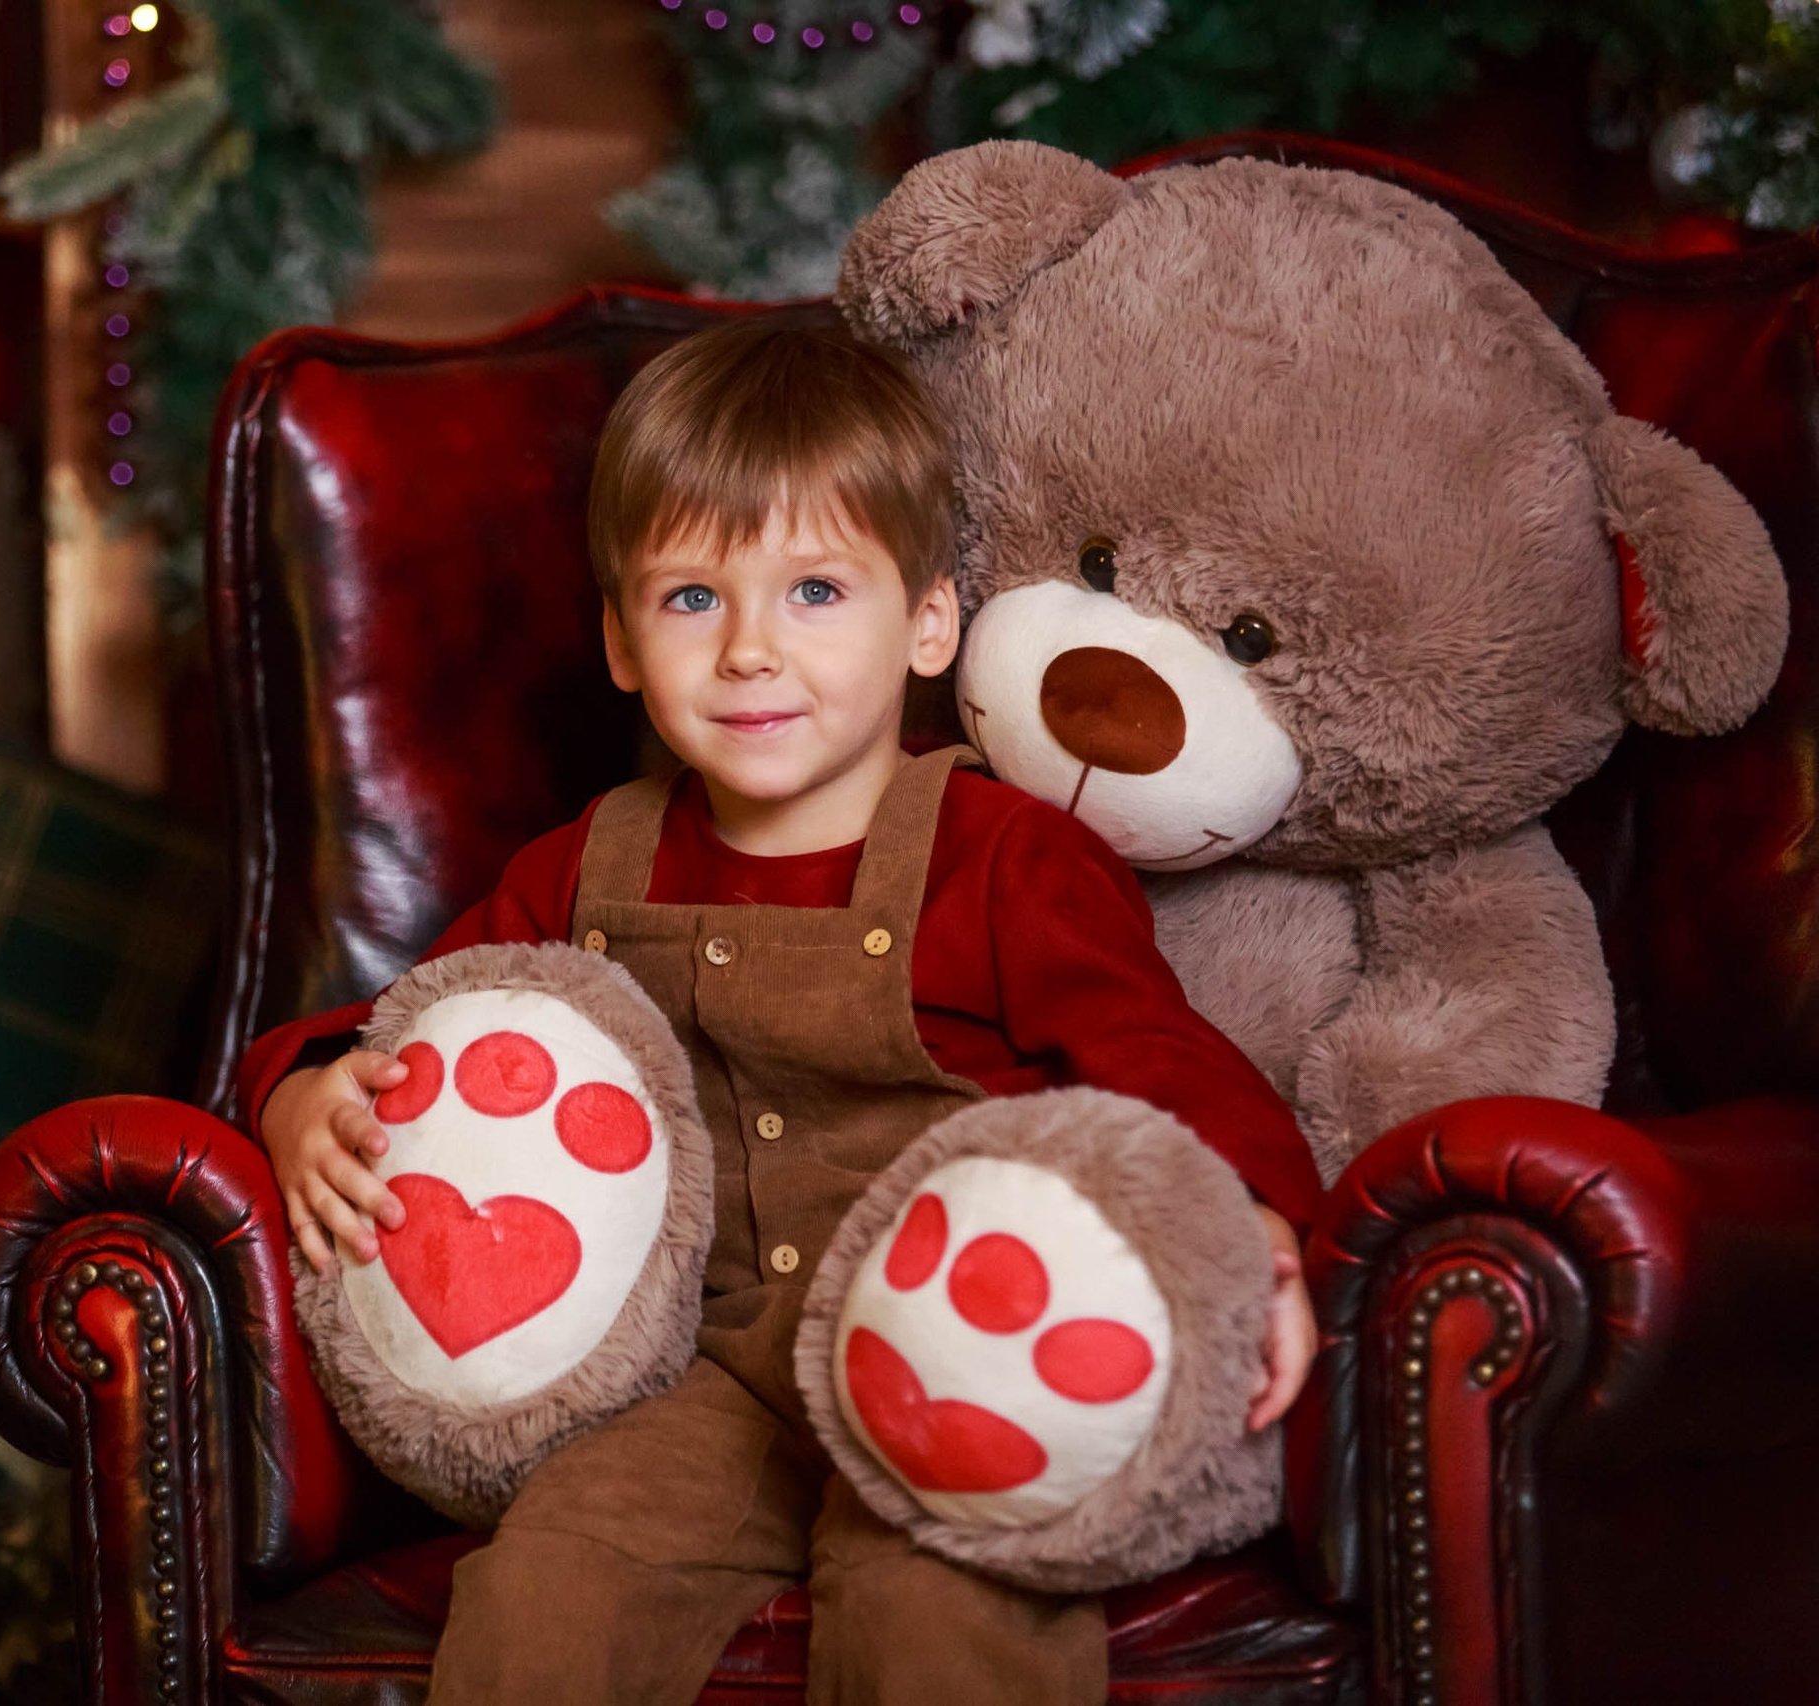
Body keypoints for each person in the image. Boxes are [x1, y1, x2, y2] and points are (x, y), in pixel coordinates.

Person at [240, 315, 1324, 1705]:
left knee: (936, 1600)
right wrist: (297, 1090)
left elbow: (1165, 1070)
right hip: (704, 1389)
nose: (751, 649)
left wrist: (1262, 1236)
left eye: (816, 591)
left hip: (945, 1367)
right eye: (693, 597)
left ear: (930, 620)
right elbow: (414, 1029)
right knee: (553, 1574)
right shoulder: (583, 866)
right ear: (625, 638)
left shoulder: (1007, 857)